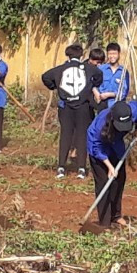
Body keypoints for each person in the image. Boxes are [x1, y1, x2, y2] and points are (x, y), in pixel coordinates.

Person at [42, 44, 103, 180]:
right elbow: (99, 75)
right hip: (82, 106)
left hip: (66, 107)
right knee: (82, 135)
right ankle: (81, 168)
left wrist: (54, 86)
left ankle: (61, 167)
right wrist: (93, 85)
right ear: (81, 55)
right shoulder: (89, 68)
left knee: (66, 135)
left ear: (67, 55)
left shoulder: (61, 69)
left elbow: (45, 76)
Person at [86, 100, 137, 228]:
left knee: (119, 180)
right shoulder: (100, 126)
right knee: (104, 183)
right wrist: (109, 166)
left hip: (116, 146)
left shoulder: (132, 110)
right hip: (99, 151)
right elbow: (96, 148)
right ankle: (104, 222)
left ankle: (116, 216)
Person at [98, 42, 130, 111]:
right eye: (110, 54)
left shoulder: (123, 72)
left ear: (119, 54)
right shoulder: (101, 69)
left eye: (114, 54)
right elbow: (94, 85)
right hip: (103, 105)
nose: (112, 56)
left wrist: (110, 94)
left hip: (117, 105)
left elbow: (124, 92)